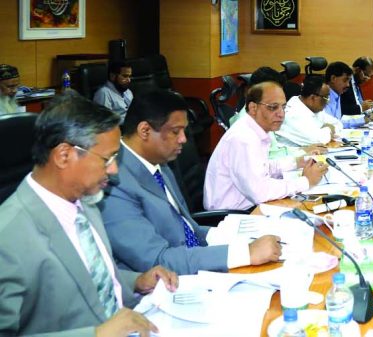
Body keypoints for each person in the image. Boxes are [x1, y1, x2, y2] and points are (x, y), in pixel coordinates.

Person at [0, 94, 178, 336]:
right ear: (64, 155)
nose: (114, 170)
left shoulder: (86, 201)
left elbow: (85, 279)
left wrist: (136, 282)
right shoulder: (8, 237)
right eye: (108, 159)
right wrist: (97, 334)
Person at [100, 90, 282, 275]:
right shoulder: (113, 182)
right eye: (175, 131)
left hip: (191, 262)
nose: (183, 139)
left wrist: (241, 239)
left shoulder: (158, 163)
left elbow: (188, 228)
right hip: (163, 286)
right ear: (145, 130)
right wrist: (245, 253)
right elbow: (156, 261)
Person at [204, 82, 329, 211]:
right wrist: (306, 181)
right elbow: (260, 192)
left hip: (247, 205)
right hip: (232, 215)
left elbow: (262, 167)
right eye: (273, 107)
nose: (281, 114)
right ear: (253, 108)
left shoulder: (254, 129)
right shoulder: (244, 138)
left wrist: (297, 162)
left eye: (283, 107)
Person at [277, 75, 342, 146]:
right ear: (312, 98)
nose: (328, 101)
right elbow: (318, 140)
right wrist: (329, 128)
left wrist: (324, 132)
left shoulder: (314, 109)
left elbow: (338, 124)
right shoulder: (292, 114)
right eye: (326, 97)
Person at [324, 61, 373, 129]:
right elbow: (330, 126)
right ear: (333, 78)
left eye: (349, 81)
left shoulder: (337, 94)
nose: (348, 85)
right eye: (345, 80)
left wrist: (363, 120)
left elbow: (338, 122)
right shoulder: (323, 96)